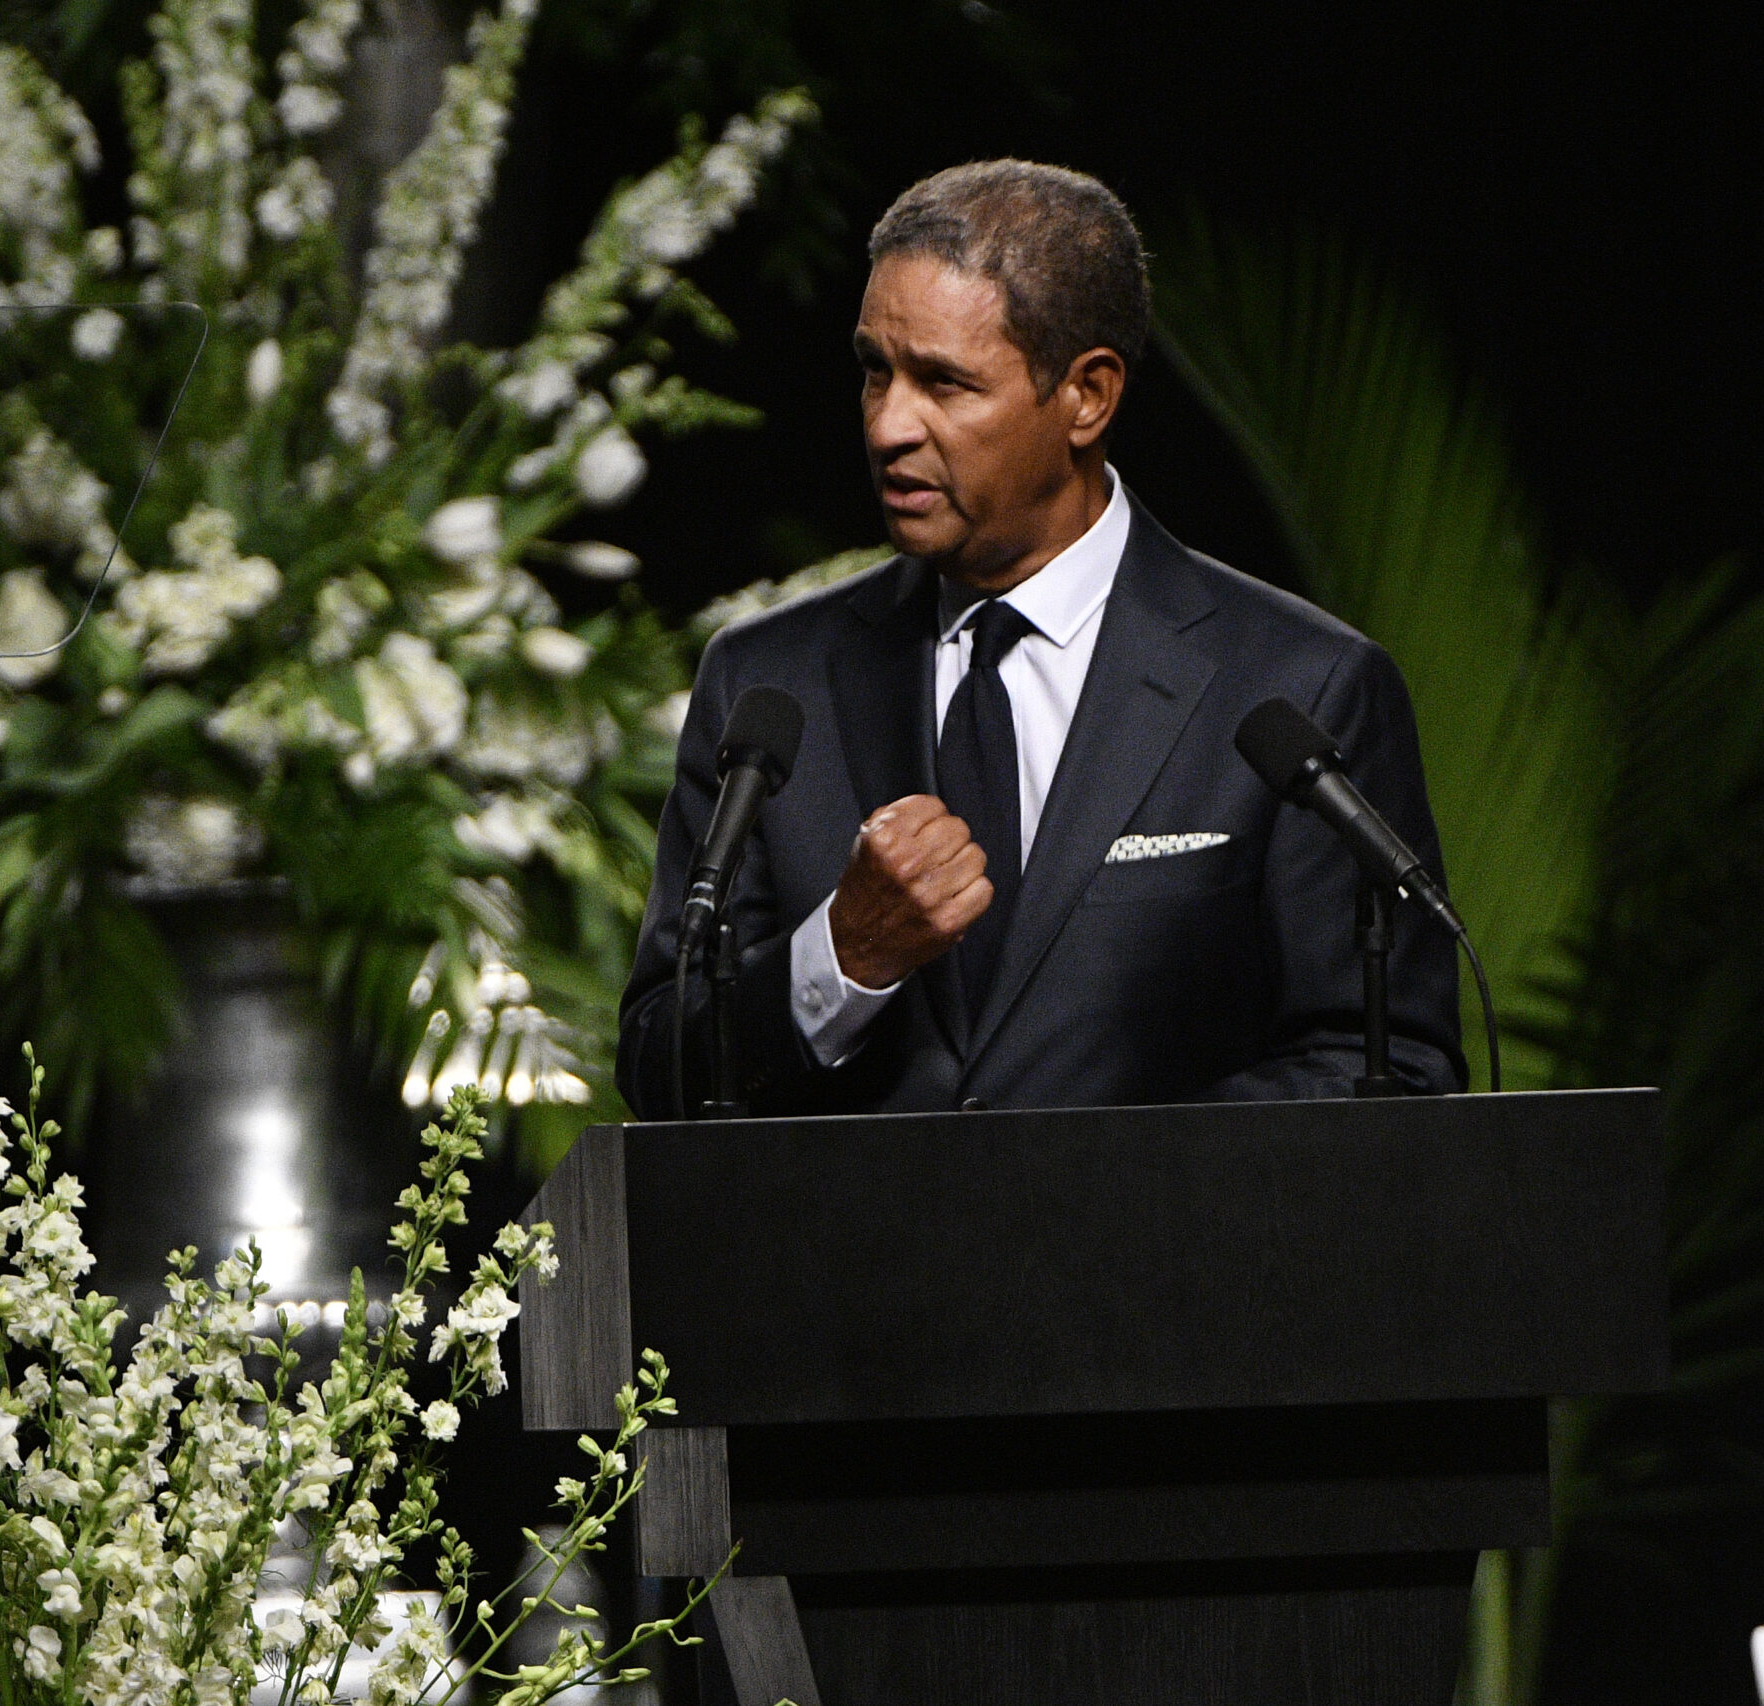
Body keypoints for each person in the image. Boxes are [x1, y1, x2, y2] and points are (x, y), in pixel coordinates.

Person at [616, 160, 1464, 1119]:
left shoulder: (1295, 689)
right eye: (874, 372)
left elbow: (1386, 1070)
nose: (890, 425)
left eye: (945, 382)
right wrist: (844, 958)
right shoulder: (770, 686)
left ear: (1087, 397)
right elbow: (658, 1068)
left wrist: (1074, 1203)